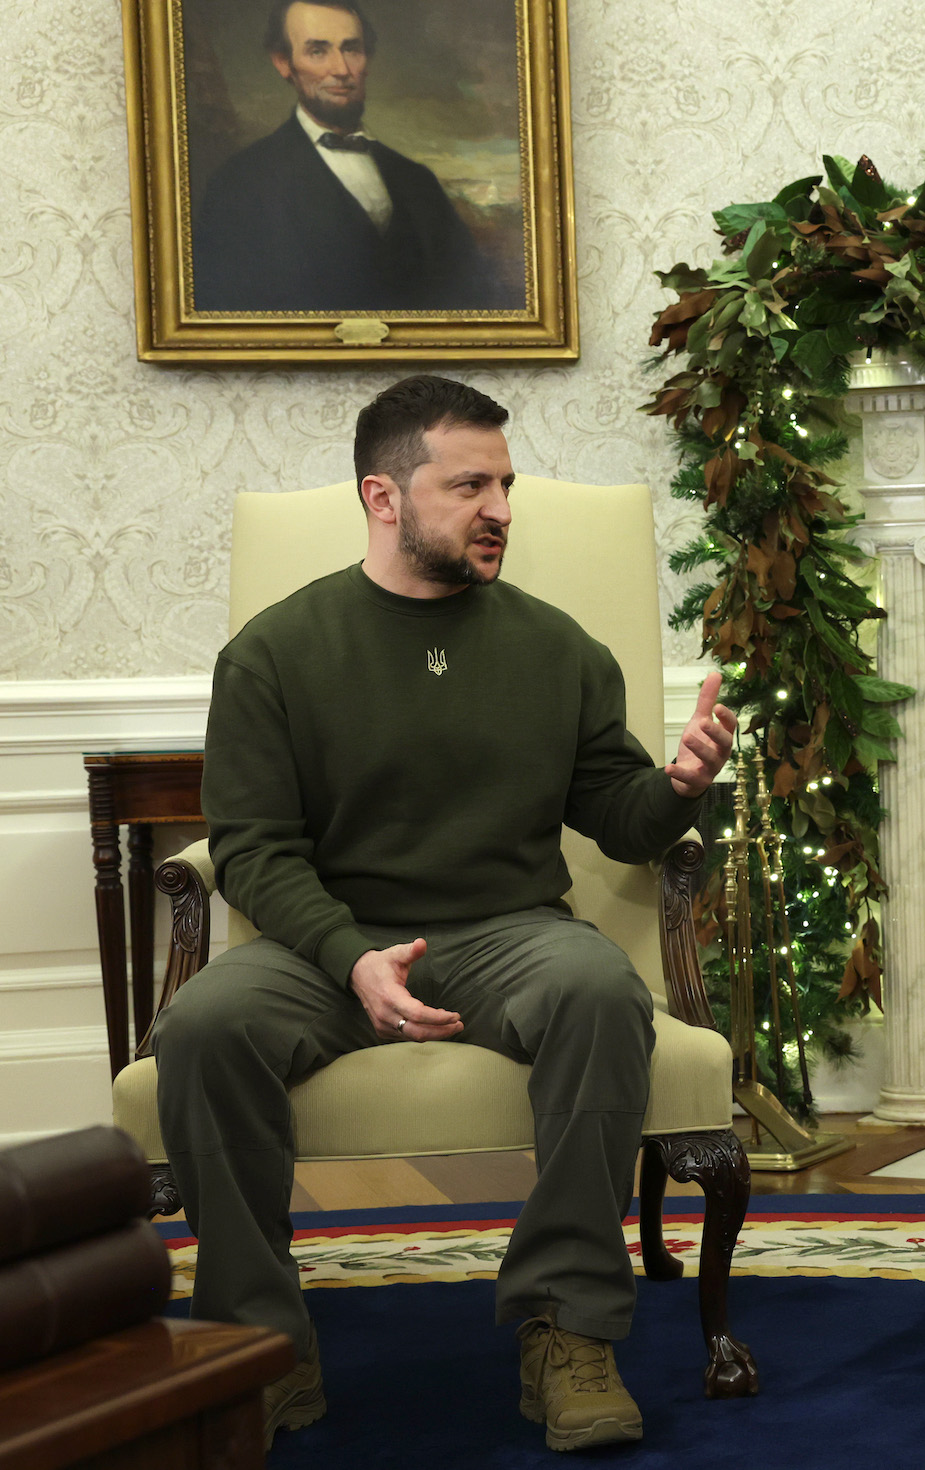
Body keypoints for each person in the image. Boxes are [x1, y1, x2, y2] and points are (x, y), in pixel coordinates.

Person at [151, 374, 737, 1452]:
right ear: (384, 496)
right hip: (323, 939)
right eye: (469, 483)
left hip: (505, 932)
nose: (501, 508)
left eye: (505, 484)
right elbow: (253, 852)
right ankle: (258, 1348)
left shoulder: (556, 648)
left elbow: (617, 815)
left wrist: (681, 787)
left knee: (601, 990)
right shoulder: (277, 654)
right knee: (200, 1025)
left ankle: (567, 1328)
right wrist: (348, 957)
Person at [191, 0, 509, 312]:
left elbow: (474, 298)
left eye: (351, 49)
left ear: (366, 59)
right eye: (318, 51)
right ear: (283, 63)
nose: (342, 70)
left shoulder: (417, 181)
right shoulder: (239, 183)